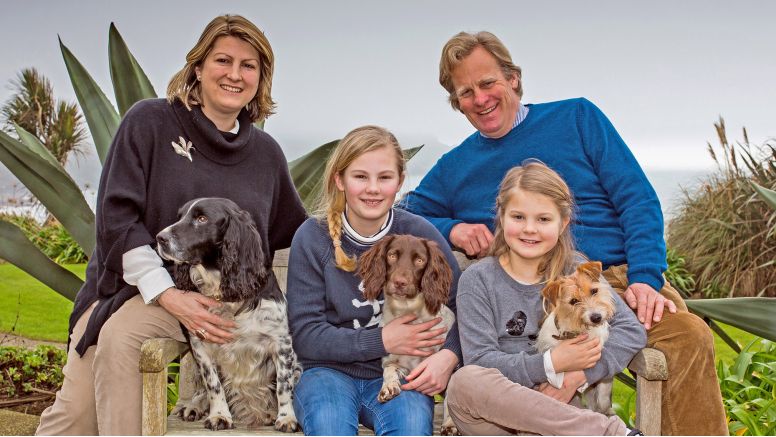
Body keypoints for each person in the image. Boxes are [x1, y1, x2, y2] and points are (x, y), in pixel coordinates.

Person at [404, 30, 727, 436]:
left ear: (513, 79)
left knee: (688, 336)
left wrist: (645, 278)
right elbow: (408, 212)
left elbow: (638, 199)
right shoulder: (455, 166)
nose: (480, 99)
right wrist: (453, 229)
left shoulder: (577, 117)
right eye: (465, 92)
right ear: (457, 103)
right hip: (536, 294)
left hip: (612, 281)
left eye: (487, 83)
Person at [36, 15, 306, 436]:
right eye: (223, 60)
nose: (235, 74)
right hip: (139, 295)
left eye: (249, 65)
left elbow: (296, 233)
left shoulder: (266, 155)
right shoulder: (150, 122)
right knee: (76, 418)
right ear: (198, 67)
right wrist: (168, 295)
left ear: (260, 77)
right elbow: (116, 219)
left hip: (230, 309)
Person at [446, 161, 647, 435]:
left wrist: (578, 376)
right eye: (518, 217)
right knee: (464, 383)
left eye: (543, 219)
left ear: (563, 223)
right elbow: (481, 360)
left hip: (563, 415)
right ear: (501, 217)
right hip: (497, 420)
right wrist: (552, 363)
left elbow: (630, 330)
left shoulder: (576, 270)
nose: (530, 229)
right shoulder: (478, 280)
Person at [286, 125, 462, 436]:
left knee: (410, 427)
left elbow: (464, 309)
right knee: (330, 426)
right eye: (360, 177)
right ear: (339, 180)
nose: (373, 189)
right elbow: (306, 335)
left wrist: (448, 356)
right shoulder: (313, 238)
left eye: (384, 177)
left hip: (402, 374)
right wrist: (381, 340)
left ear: (399, 183)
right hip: (326, 373)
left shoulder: (420, 235)